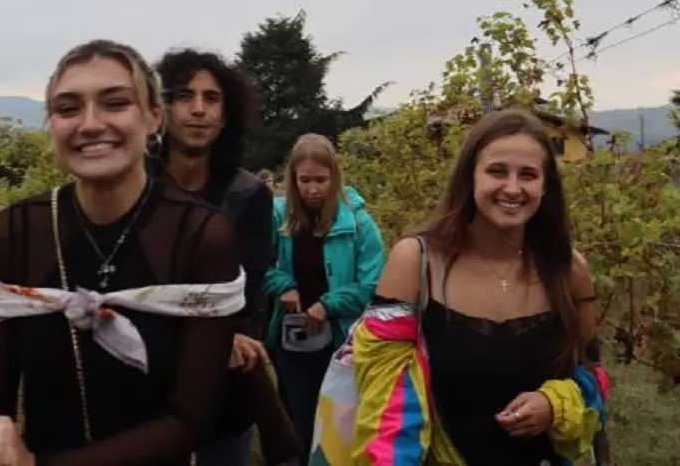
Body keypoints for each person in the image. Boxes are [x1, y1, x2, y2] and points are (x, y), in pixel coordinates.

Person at [0, 40, 246, 466]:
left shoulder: (200, 237)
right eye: (68, 109)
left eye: (115, 103)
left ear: (153, 116)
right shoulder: (11, 236)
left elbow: (188, 422)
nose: (89, 124)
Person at [351, 108, 607, 465]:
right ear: (469, 176)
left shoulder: (568, 269)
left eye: (528, 175)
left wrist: (555, 403)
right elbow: (385, 405)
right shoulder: (417, 263)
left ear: (545, 186)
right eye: (497, 171)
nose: (512, 188)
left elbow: (591, 375)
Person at [153, 48, 297, 466]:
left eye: (211, 98)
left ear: (228, 113)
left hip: (223, 385)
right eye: (184, 95)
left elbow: (247, 295)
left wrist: (229, 336)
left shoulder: (248, 195)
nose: (198, 109)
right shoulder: (133, 189)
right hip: (143, 385)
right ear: (159, 108)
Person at [265, 133, 386, 459]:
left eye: (320, 180)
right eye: (304, 180)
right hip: (292, 338)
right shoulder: (278, 217)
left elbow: (374, 283)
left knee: (338, 425)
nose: (313, 189)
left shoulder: (359, 223)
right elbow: (256, 263)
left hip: (340, 342)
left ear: (334, 177)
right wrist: (282, 284)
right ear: (293, 179)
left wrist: (328, 305)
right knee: (299, 423)